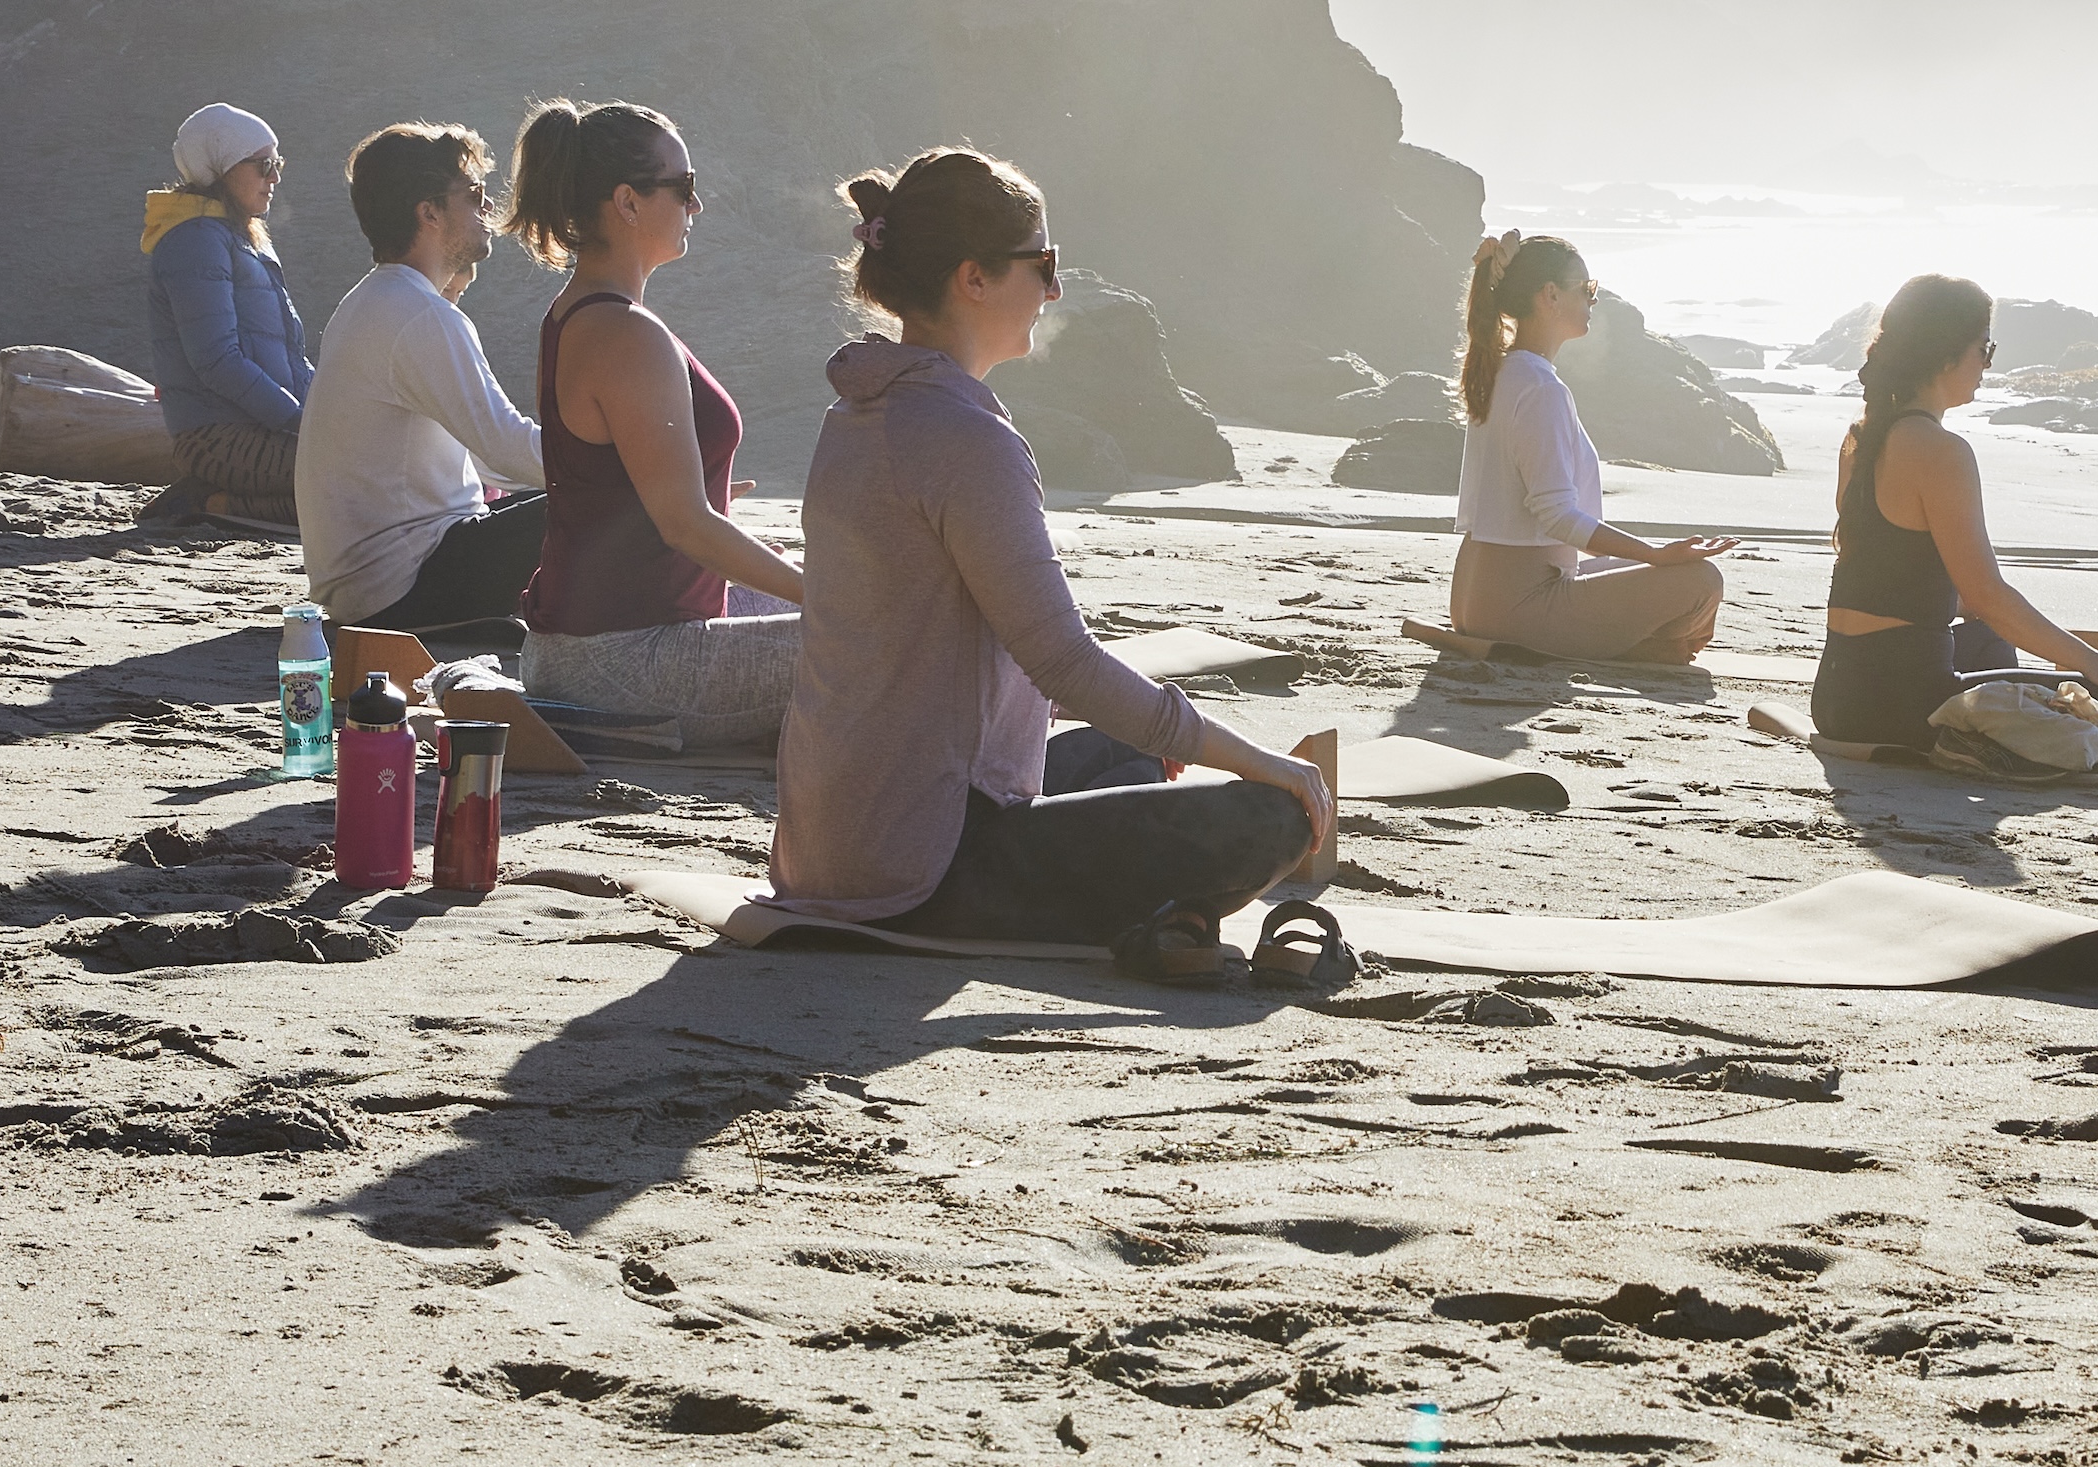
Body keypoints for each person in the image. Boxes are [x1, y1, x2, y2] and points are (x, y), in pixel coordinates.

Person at [775, 147, 1331, 936]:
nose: (1055, 286)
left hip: (830, 844)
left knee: (1125, 754)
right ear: (973, 277)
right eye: (1042, 261)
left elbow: (993, 651)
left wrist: (1155, 727)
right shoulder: (967, 439)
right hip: (926, 866)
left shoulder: (859, 412)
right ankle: (1171, 916)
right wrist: (1260, 761)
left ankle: (1167, 915)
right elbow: (1062, 659)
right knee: (1270, 816)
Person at [510, 99, 807, 747]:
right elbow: (685, 524)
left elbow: (636, 504)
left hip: (590, 645)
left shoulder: (582, 313)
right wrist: (824, 593)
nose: (696, 206)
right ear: (628, 201)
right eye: (685, 187)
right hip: (623, 662)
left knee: (863, 608)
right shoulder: (624, 332)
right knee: (892, 635)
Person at [1811, 273, 2098, 745]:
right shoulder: (1942, 451)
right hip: (1905, 708)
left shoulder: (1860, 438)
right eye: (1985, 349)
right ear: (1946, 353)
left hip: (1836, 698)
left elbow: (1884, 579)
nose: (1987, 365)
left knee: (1987, 641)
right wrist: (2094, 661)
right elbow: (1989, 596)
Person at [294, 122, 548, 635]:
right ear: (428, 212)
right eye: (474, 194)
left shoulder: (374, 301)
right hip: (408, 584)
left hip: (368, 592)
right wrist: (640, 472)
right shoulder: (417, 315)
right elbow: (505, 448)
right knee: (614, 502)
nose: (487, 208)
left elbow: (484, 461)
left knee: (593, 495)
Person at [1449, 231, 1736, 664]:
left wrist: (1651, 561)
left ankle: (1649, 642)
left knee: (1669, 574)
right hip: (1518, 611)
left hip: (1476, 602)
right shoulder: (1540, 387)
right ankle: (1651, 646)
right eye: (1587, 290)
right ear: (1550, 296)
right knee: (1701, 582)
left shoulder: (1499, 372)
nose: (1593, 300)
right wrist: (1654, 554)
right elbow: (1559, 517)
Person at [141, 102, 310, 525]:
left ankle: (216, 497)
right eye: (263, 165)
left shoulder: (241, 237)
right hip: (215, 436)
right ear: (221, 168)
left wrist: (324, 414)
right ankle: (210, 506)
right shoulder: (194, 241)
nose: (274, 178)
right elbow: (216, 360)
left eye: (278, 164)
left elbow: (289, 356)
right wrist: (298, 421)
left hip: (259, 428)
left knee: (376, 474)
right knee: (361, 483)